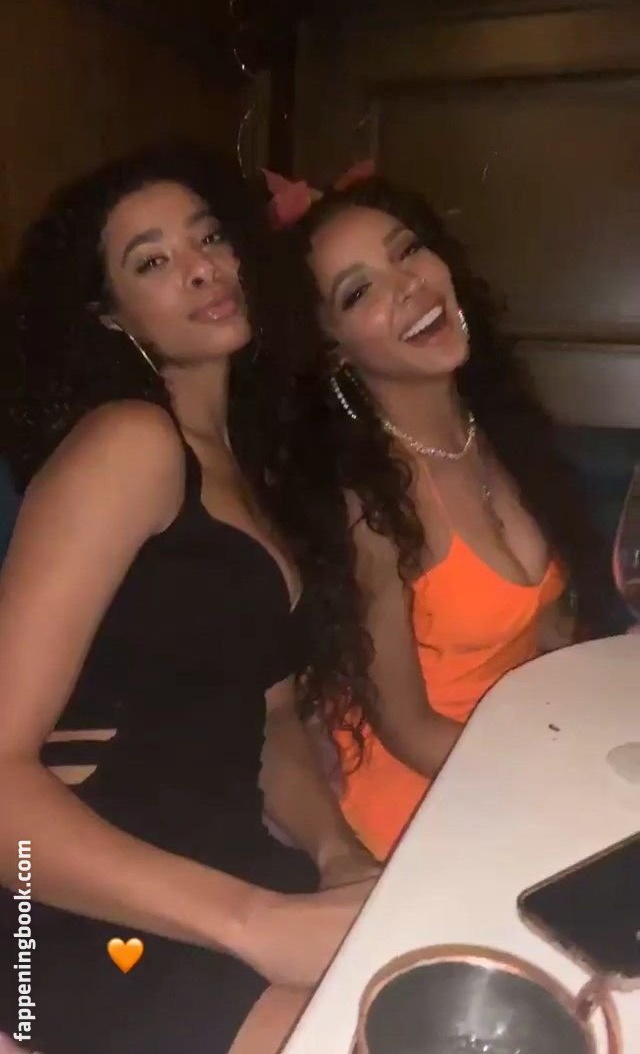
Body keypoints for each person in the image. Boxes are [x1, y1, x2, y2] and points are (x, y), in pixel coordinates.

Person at [0, 143, 378, 1054]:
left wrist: (337, 855)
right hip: (97, 907)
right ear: (108, 313)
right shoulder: (127, 444)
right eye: (152, 262)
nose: (202, 268)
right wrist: (256, 922)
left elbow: (271, 716)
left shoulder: (251, 466)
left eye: (208, 238)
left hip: (228, 870)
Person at [264, 172, 616, 860]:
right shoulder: (366, 501)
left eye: (408, 250)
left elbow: (544, 628)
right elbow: (410, 732)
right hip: (425, 816)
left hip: (523, 765)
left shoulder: (498, 431)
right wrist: (565, 770)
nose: (408, 285)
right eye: (359, 291)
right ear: (334, 349)